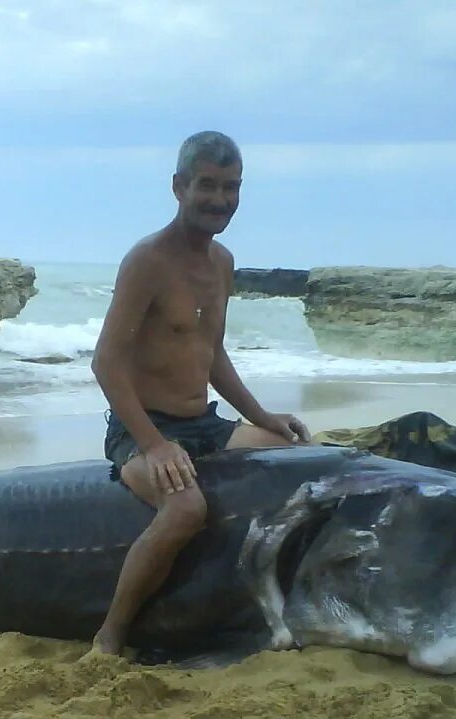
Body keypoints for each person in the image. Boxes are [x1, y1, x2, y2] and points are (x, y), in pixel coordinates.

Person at [90, 130, 311, 656]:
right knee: (186, 509)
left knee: (297, 455)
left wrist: (261, 415)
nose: (220, 200)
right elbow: (106, 362)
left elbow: (211, 354)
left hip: (203, 424)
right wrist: (154, 445)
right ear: (178, 187)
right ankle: (110, 636)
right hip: (144, 429)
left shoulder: (223, 263)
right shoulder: (147, 260)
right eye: (207, 186)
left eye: (231, 187)